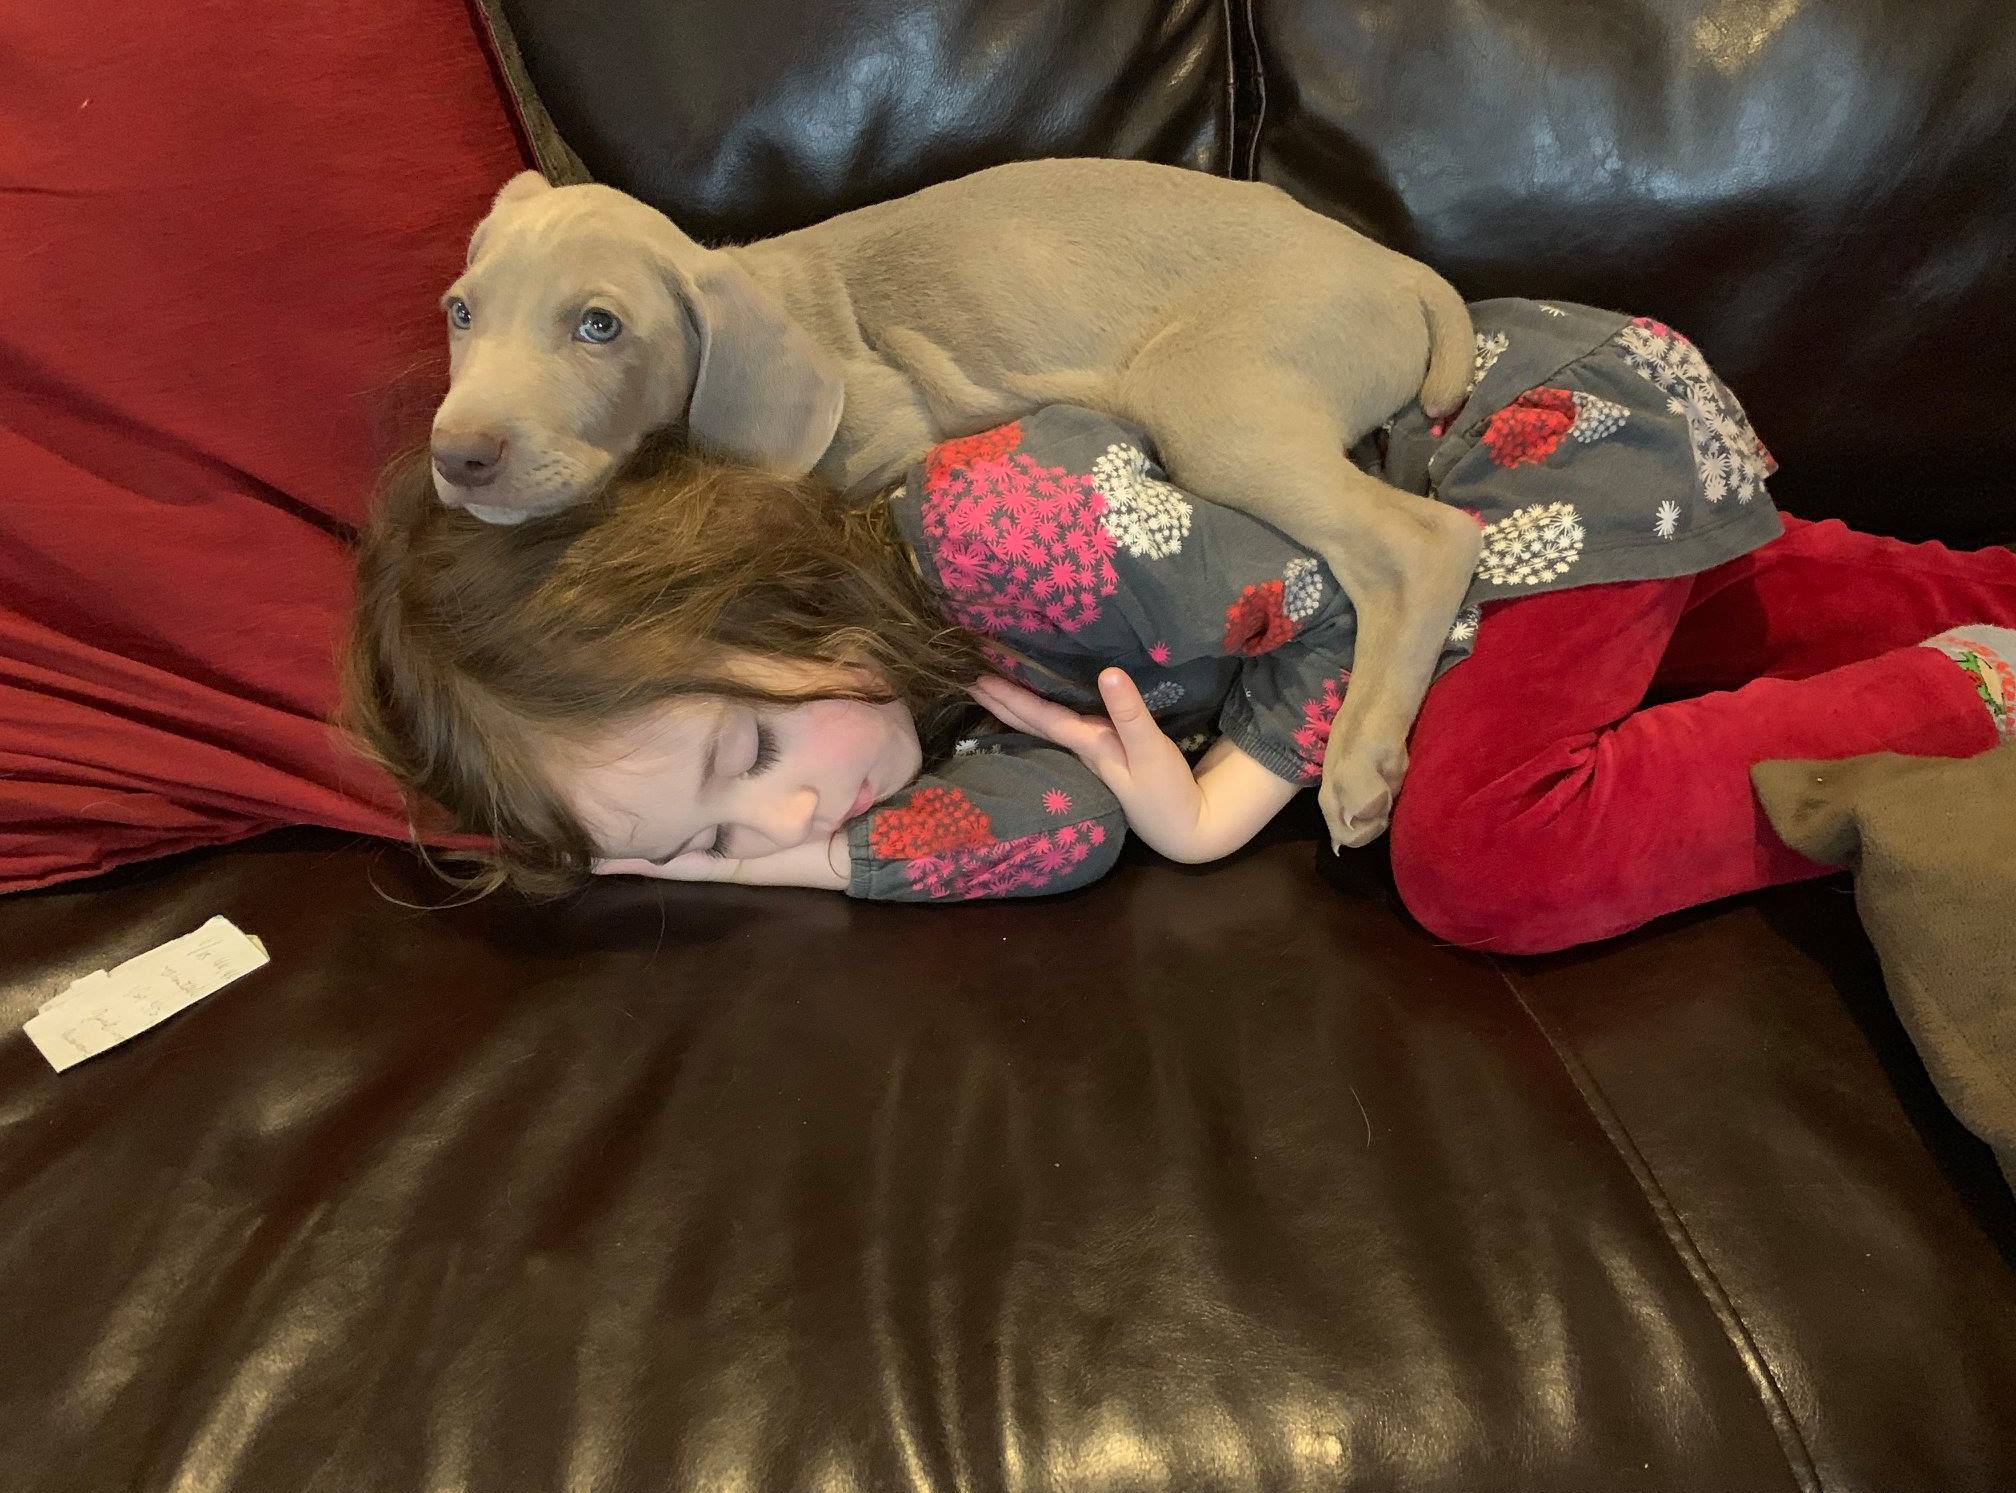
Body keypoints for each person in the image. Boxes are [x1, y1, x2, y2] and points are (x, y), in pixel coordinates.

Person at [343, 300, 2016, 952]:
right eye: (716, 837)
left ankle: (1963, 697)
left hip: (1536, 454)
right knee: (1757, 617)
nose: (788, 810)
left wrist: (1222, 809)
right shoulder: (936, 707)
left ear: (765, 594)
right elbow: (1064, 830)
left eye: (745, 755)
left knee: (1490, 858)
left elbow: (1336, 610)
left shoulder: (1001, 525)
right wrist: (730, 861)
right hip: (1562, 534)